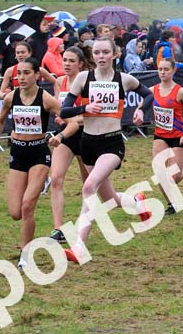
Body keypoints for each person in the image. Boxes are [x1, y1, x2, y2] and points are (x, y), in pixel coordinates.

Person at [59, 37, 157, 263]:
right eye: (97, 53)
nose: (101, 56)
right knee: (108, 197)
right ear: (92, 56)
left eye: (105, 52)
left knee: (89, 187)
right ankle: (137, 202)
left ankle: (79, 246)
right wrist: (85, 108)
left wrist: (141, 110)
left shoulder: (124, 79)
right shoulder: (83, 78)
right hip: (88, 143)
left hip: (112, 143)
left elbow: (149, 94)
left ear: (115, 54)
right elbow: (64, 112)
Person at [0, 58, 63, 268]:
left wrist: (60, 136)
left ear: (37, 75)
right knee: (15, 212)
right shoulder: (11, 97)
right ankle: (40, 184)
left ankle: (24, 254)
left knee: (28, 206)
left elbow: (69, 119)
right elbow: (0, 120)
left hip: (39, 154)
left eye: (26, 73)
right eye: (18, 74)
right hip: (18, 153)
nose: (21, 77)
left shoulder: (45, 99)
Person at [48, 46, 89, 244]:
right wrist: (60, 117)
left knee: (89, 185)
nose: (67, 64)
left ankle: (133, 203)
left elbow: (90, 114)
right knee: (56, 178)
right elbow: (59, 106)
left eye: (72, 61)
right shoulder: (59, 82)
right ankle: (58, 228)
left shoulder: (87, 83)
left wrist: (73, 118)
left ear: (80, 63)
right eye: (64, 60)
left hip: (86, 135)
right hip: (65, 136)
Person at [151, 56, 183, 215]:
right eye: (160, 69)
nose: (162, 72)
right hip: (160, 135)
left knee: (173, 177)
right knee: (159, 171)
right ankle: (171, 204)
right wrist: (138, 111)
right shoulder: (153, 90)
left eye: (166, 69)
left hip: (178, 136)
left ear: (173, 70)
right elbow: (142, 102)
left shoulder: (180, 92)